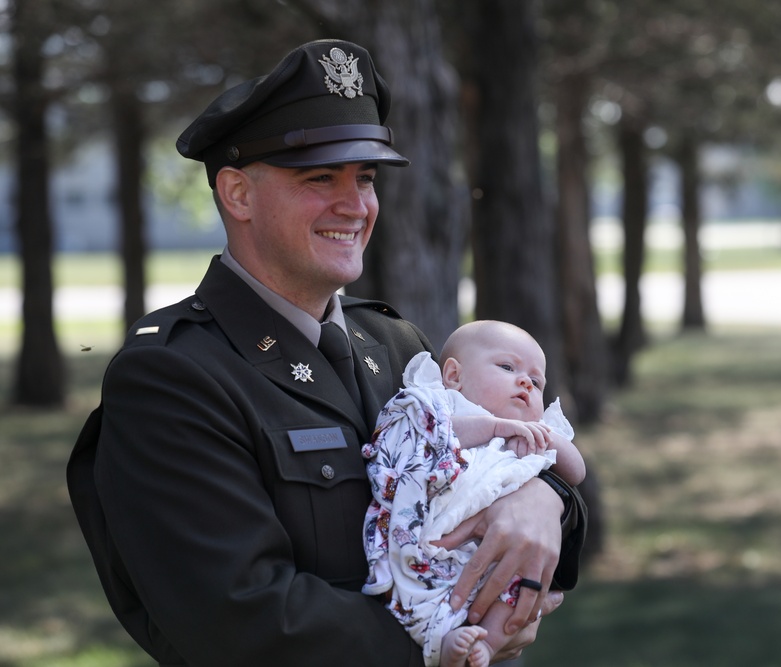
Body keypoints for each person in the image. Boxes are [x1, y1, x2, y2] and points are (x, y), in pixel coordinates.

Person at [65, 39, 586, 667]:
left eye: (364, 179)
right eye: (320, 178)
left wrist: (545, 500)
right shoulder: (174, 376)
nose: (356, 205)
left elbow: (519, 461)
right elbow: (242, 619)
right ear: (237, 194)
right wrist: (444, 643)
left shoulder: (398, 346)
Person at [362, 320, 587, 667]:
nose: (526, 381)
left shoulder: (538, 433)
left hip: (497, 552)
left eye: (537, 381)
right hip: (439, 535)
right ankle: (444, 642)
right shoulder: (446, 406)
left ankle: (490, 644)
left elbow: (576, 472)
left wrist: (546, 437)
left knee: (512, 593)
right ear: (454, 376)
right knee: (426, 588)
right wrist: (497, 426)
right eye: (507, 367)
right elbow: (441, 437)